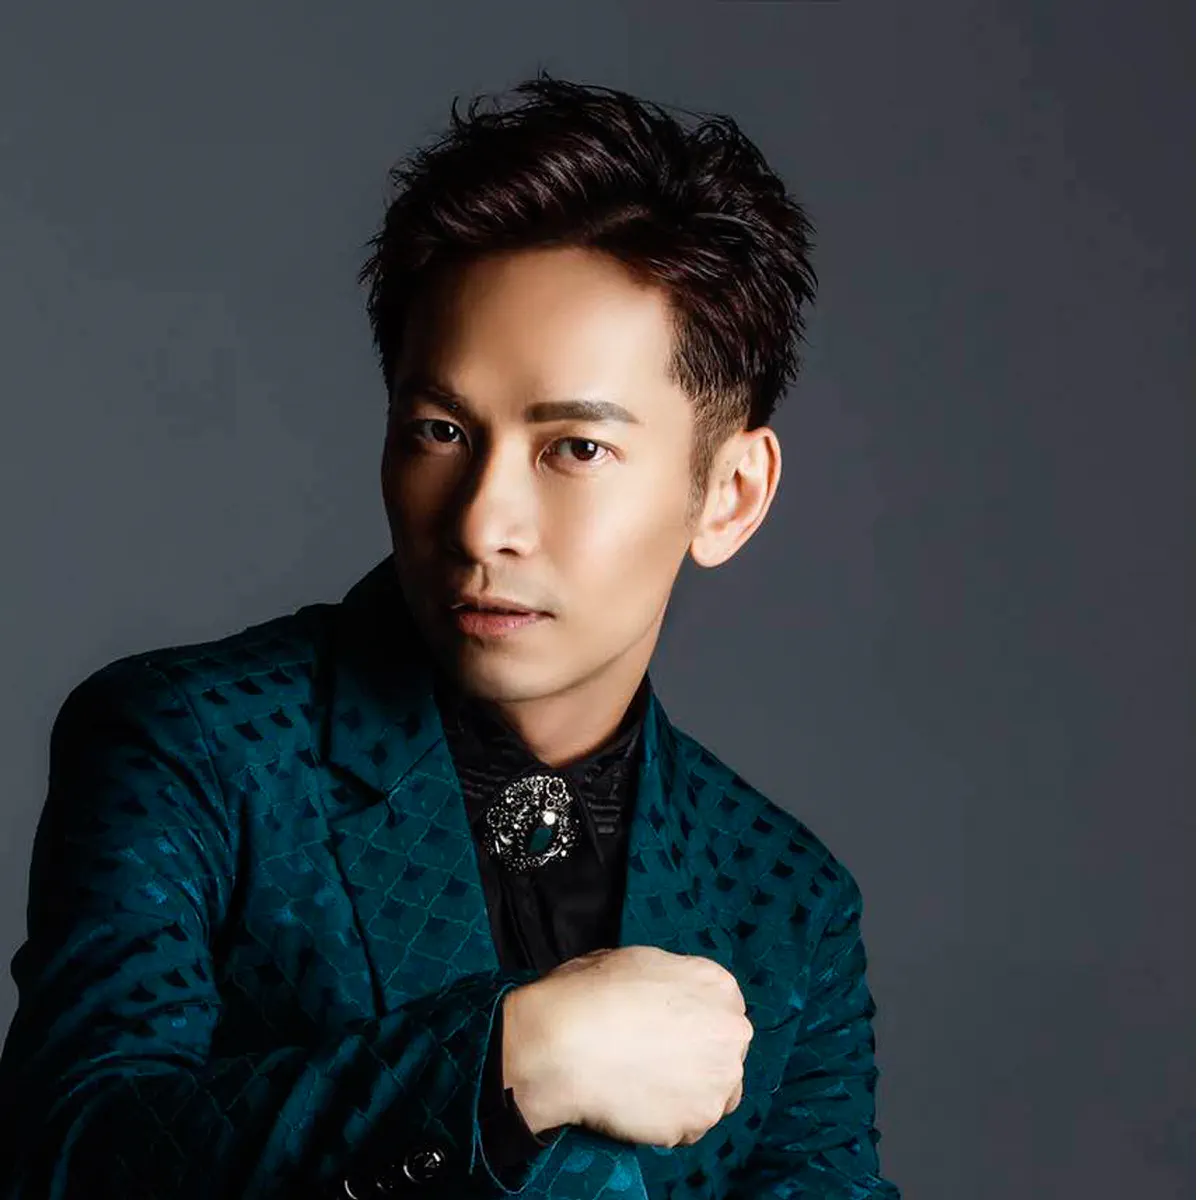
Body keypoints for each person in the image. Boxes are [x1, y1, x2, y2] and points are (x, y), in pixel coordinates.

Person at [0, 72, 900, 1199]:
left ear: (729, 495)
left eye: (575, 448)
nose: (482, 523)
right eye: (439, 431)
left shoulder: (786, 900)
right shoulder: (193, 746)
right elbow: (69, 1157)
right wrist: (510, 1062)